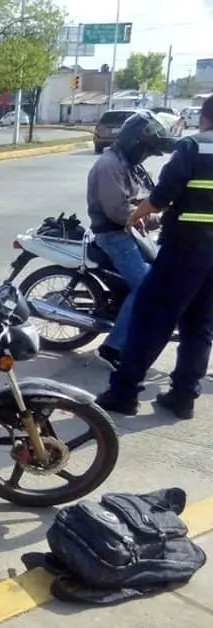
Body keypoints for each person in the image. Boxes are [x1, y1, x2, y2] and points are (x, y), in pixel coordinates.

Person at [96, 94, 213, 420]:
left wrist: (137, 216)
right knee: (199, 327)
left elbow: (161, 196)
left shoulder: (193, 146)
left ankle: (124, 392)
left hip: (185, 251)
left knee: (151, 318)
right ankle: (183, 396)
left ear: (203, 118)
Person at [86, 110, 175, 370]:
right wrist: (152, 218)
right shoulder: (109, 165)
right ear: (135, 142)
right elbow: (119, 211)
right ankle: (111, 347)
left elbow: (148, 198)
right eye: (147, 149)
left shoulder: (128, 163)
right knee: (147, 285)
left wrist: (166, 212)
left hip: (129, 232)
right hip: (114, 235)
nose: (147, 155)